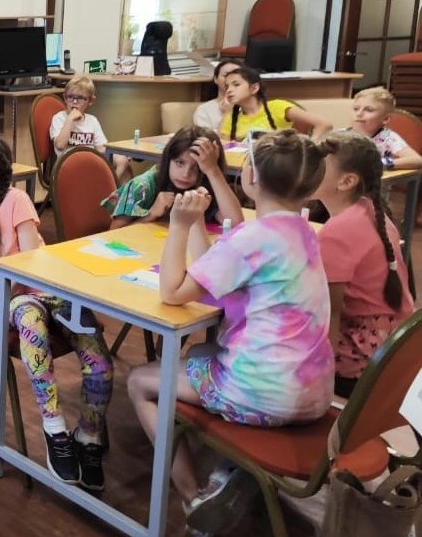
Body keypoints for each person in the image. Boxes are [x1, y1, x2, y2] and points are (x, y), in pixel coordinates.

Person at [126, 130, 333, 535]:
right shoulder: (302, 230)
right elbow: (213, 276)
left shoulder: (253, 238)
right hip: (314, 391)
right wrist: (197, 224)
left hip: (264, 394)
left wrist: (179, 225)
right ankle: (230, 471)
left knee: (139, 382)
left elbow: (172, 293)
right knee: (199, 355)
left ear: (250, 176)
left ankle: (194, 497)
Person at [0, 133, 114, 491]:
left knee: (99, 361)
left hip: (46, 286)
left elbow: (30, 267)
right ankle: (55, 430)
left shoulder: (16, 200)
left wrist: (3, 300)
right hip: (19, 299)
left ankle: (89, 435)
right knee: (31, 329)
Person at [314, 131, 414, 397]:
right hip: (395, 342)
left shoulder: (337, 231)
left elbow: (330, 314)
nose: (306, 170)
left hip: (364, 354)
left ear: (346, 181)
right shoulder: (370, 210)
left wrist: (319, 379)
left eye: (317, 165)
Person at [102, 126, 243, 230]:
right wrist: (151, 214)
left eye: (196, 167)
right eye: (179, 163)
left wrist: (213, 171)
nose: (186, 174)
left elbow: (235, 223)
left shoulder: (206, 184)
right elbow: (113, 233)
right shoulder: (143, 186)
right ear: (168, 159)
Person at [49, 75, 131, 184]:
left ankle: (111, 189)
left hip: (91, 164)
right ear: (65, 97)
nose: (74, 102)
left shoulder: (92, 120)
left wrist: (120, 153)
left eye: (80, 98)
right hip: (67, 166)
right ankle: (107, 188)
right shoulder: (59, 118)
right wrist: (69, 120)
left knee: (123, 162)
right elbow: (60, 145)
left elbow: (101, 148)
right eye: (70, 97)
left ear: (90, 101)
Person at [221, 65, 331, 140]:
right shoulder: (230, 117)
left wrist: (310, 148)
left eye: (236, 85)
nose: (229, 90)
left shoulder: (278, 106)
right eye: (226, 87)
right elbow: (224, 147)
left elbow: (324, 125)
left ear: (254, 88)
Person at [348, 86, 422, 170]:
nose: (359, 114)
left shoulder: (388, 138)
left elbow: (417, 160)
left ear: (385, 119)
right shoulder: (341, 136)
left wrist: (380, 163)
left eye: (369, 110)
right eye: (356, 109)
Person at [192, 60, 243, 131]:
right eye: (226, 75)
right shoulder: (204, 110)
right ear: (215, 79)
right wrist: (227, 114)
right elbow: (207, 136)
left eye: (237, 75)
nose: (231, 79)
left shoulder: (251, 106)